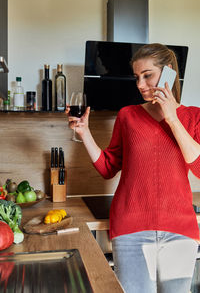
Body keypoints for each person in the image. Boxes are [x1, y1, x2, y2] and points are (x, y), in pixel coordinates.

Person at [67, 43, 200, 293]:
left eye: (147, 75)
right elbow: (108, 167)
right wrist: (84, 133)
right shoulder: (128, 116)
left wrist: (172, 116)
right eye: (137, 77)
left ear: (169, 72)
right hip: (131, 230)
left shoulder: (194, 117)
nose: (140, 85)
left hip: (179, 231)